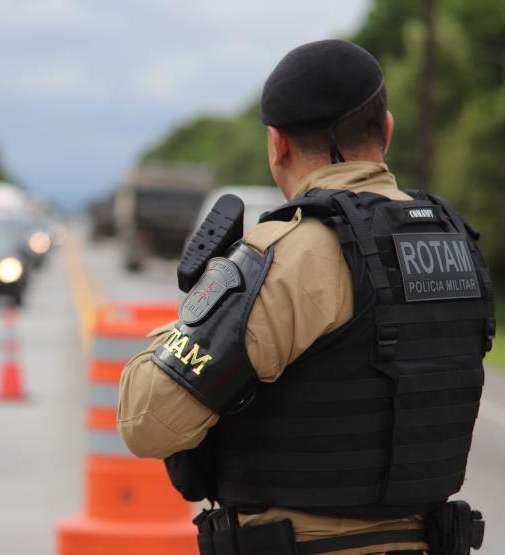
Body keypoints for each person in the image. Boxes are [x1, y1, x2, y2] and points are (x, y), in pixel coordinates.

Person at [117, 39, 493, 555]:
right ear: (386, 131)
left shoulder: (289, 256)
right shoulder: (457, 242)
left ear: (278, 145)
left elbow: (146, 422)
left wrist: (206, 303)